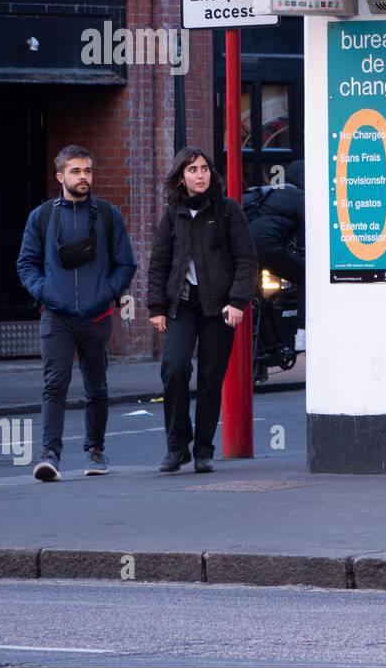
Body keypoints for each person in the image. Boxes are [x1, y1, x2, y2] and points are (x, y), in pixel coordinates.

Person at [16, 145, 136, 482]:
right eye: (75, 171)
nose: (83, 177)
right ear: (60, 176)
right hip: (56, 316)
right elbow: (25, 264)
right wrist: (45, 292)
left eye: (87, 171)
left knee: (97, 386)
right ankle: (50, 455)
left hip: (96, 316)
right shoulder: (41, 217)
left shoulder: (109, 215)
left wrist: (107, 293)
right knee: (55, 385)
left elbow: (125, 263)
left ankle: (95, 451)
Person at [147, 147, 258, 474]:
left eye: (204, 169)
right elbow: (159, 263)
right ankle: (176, 446)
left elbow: (246, 260)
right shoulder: (173, 214)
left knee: (211, 378)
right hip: (182, 304)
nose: (200, 175)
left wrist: (238, 301)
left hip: (219, 307)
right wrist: (156, 306)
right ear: (181, 177)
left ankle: (204, 450)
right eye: (193, 170)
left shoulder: (227, 211)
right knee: (175, 368)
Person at [243, 160, 305, 286]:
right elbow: (310, 228)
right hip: (265, 247)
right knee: (307, 274)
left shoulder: (270, 190)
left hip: (243, 246)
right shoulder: (299, 196)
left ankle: (259, 304)